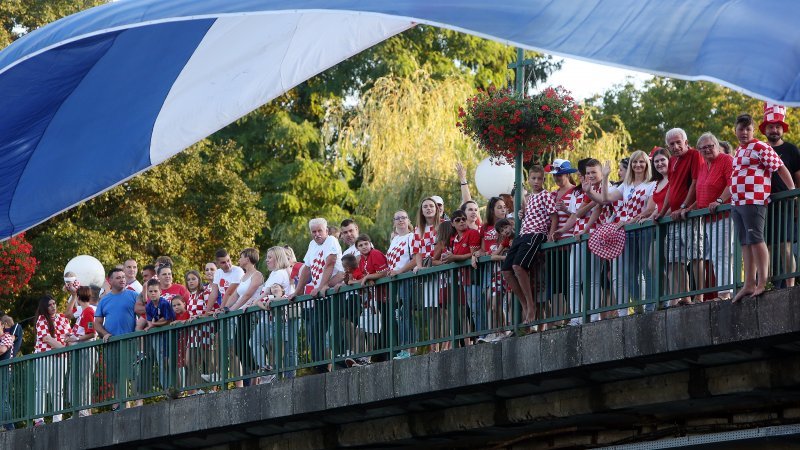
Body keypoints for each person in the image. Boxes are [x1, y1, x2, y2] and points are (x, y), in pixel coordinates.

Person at [730, 114, 795, 301]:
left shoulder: (761, 146)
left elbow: (780, 168)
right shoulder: (738, 150)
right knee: (745, 242)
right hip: (737, 202)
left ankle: (761, 282)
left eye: (748, 129)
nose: (744, 133)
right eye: (741, 129)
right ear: (735, 130)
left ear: (753, 130)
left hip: (754, 200)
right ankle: (748, 283)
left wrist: (791, 190)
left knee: (757, 239)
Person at [601, 151, 656, 314]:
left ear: (647, 164)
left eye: (641, 162)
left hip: (643, 229)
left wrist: (629, 221)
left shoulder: (652, 184)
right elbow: (605, 198)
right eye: (634, 162)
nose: (638, 165)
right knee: (628, 272)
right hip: (626, 232)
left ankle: (650, 305)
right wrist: (605, 177)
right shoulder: (626, 185)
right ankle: (638, 304)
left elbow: (650, 209)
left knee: (647, 268)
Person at [502, 165, 557, 327]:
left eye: (539, 178)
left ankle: (531, 306)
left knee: (518, 266)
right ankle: (525, 303)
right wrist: (522, 213)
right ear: (529, 179)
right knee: (506, 270)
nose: (536, 181)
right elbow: (527, 212)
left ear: (543, 180)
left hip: (536, 233)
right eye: (533, 178)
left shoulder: (546, 196)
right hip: (523, 233)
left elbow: (553, 217)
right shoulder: (530, 197)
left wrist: (550, 234)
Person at [288, 218, 344, 373]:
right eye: (314, 232)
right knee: (315, 330)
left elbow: (330, 263)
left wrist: (321, 286)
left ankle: (342, 362)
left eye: (320, 231)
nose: (317, 234)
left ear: (326, 230)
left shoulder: (331, 241)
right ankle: (320, 366)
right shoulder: (312, 245)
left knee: (338, 329)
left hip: (334, 291)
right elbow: (306, 268)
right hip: (321, 295)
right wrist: (298, 290)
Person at [658, 128, 705, 305]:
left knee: (695, 255)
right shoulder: (672, 161)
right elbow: (671, 187)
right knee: (675, 259)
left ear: (686, 141)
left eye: (679, 142)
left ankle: (699, 295)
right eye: (672, 144)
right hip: (674, 217)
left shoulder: (694, 155)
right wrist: (663, 212)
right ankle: (684, 296)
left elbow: (695, 182)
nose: (676, 146)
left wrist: (685, 206)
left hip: (690, 214)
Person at [761, 103, 800, 288]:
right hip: (765, 203)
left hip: (785, 204)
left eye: (777, 127)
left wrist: (796, 204)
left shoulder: (792, 150)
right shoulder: (760, 149)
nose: (774, 130)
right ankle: (767, 284)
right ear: (765, 129)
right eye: (770, 127)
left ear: (782, 129)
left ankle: (791, 284)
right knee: (767, 246)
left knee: (785, 246)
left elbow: (798, 179)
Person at [94, 268, 145, 409]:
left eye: (123, 277)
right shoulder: (104, 300)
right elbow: (97, 323)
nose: (122, 279)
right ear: (110, 281)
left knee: (134, 373)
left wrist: (141, 328)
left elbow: (145, 312)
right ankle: (121, 403)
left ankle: (138, 402)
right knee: (115, 374)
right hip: (113, 343)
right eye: (118, 277)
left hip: (131, 341)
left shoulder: (134, 295)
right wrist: (104, 334)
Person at [696, 133, 734, 301]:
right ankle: (724, 291)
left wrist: (719, 200)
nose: (707, 150)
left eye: (710, 146)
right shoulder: (704, 166)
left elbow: (732, 182)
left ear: (717, 145)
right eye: (703, 148)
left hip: (724, 214)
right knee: (715, 255)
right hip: (709, 218)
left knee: (722, 254)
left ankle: (725, 293)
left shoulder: (726, 159)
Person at [253, 247, 296, 378]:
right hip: (271, 317)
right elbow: (264, 296)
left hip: (278, 317)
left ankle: (273, 373)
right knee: (267, 344)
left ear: (278, 258)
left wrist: (258, 303)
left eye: (270, 257)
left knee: (278, 347)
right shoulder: (274, 273)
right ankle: (269, 370)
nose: (266, 260)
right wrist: (258, 302)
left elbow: (270, 296)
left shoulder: (279, 273)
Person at [226, 248, 265, 385]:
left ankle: (257, 370)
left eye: (241, 257)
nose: (239, 260)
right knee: (238, 346)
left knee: (245, 343)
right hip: (242, 314)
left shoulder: (257, 275)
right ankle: (254, 370)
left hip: (252, 313)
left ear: (247, 258)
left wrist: (234, 309)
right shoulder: (243, 276)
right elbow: (236, 295)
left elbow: (248, 294)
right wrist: (225, 308)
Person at [33, 295, 71, 426]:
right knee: (42, 387)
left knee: (58, 389)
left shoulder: (62, 318)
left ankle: (57, 419)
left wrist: (69, 346)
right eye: (49, 304)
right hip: (45, 355)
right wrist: (63, 349)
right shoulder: (41, 319)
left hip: (61, 357)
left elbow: (69, 335)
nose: (53, 306)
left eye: (54, 303)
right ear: (44, 307)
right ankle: (38, 419)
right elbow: (46, 338)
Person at [385, 210, 417, 359]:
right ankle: (404, 348)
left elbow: (416, 259)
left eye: (403, 217)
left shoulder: (411, 237)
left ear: (408, 220)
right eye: (397, 218)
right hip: (395, 282)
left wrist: (399, 271)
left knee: (405, 314)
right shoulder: (395, 239)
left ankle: (409, 349)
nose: (400, 220)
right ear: (393, 221)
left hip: (406, 279)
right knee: (399, 316)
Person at [65, 286, 97, 417]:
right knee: (76, 380)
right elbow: (68, 314)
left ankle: (83, 411)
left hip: (86, 349)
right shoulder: (83, 312)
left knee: (83, 380)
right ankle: (78, 411)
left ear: (78, 298)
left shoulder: (88, 311)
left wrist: (76, 338)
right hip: (80, 350)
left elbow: (91, 333)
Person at [209, 249, 244, 314]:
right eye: (223, 262)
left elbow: (229, 293)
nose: (227, 264)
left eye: (228, 260)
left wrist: (221, 309)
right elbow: (213, 294)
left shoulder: (238, 271)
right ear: (217, 264)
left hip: (239, 308)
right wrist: (206, 313)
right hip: (226, 309)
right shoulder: (217, 273)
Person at [0, 316, 17, 430]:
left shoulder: (7, 337)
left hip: (5, 371)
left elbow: (2, 350)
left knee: (3, 398)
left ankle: (9, 426)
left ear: (2, 325)